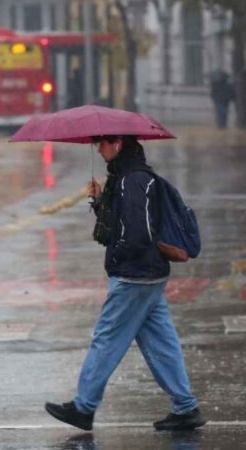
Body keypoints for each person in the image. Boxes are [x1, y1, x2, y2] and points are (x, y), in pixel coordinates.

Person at [44, 136, 206, 432]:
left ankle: (83, 407)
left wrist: (118, 255)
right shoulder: (130, 178)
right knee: (161, 342)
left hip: (134, 276)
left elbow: (137, 233)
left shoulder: (131, 181)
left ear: (117, 143)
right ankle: (186, 407)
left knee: (107, 339)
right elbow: (119, 225)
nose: (98, 148)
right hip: (150, 274)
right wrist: (99, 201)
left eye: (102, 143)